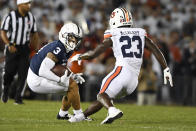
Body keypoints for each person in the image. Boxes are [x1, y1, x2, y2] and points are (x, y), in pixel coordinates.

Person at [69, 7, 173, 124]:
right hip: (134, 80)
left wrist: (80, 56)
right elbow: (156, 50)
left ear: (115, 20)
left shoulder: (113, 34)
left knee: (101, 95)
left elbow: (95, 53)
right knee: (106, 97)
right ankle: (81, 117)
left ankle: (112, 110)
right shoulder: (140, 33)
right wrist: (166, 68)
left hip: (121, 72)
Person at [27, 22, 89, 120]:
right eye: (72, 38)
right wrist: (59, 80)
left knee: (71, 85)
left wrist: (72, 75)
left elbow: (59, 67)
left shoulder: (65, 48)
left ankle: (63, 114)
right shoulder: (59, 48)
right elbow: (43, 71)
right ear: (64, 35)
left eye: (76, 39)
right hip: (37, 78)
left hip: (38, 74)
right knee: (72, 86)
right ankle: (79, 115)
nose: (74, 42)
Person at [1, 0, 39, 104]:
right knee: (9, 72)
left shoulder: (31, 17)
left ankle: (18, 98)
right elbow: (3, 32)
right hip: (12, 47)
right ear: (20, 4)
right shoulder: (10, 16)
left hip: (24, 48)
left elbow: (34, 33)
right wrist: (8, 44)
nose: (29, 6)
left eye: (29, 3)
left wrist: (35, 48)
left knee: (23, 74)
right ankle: (5, 90)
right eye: (26, 3)